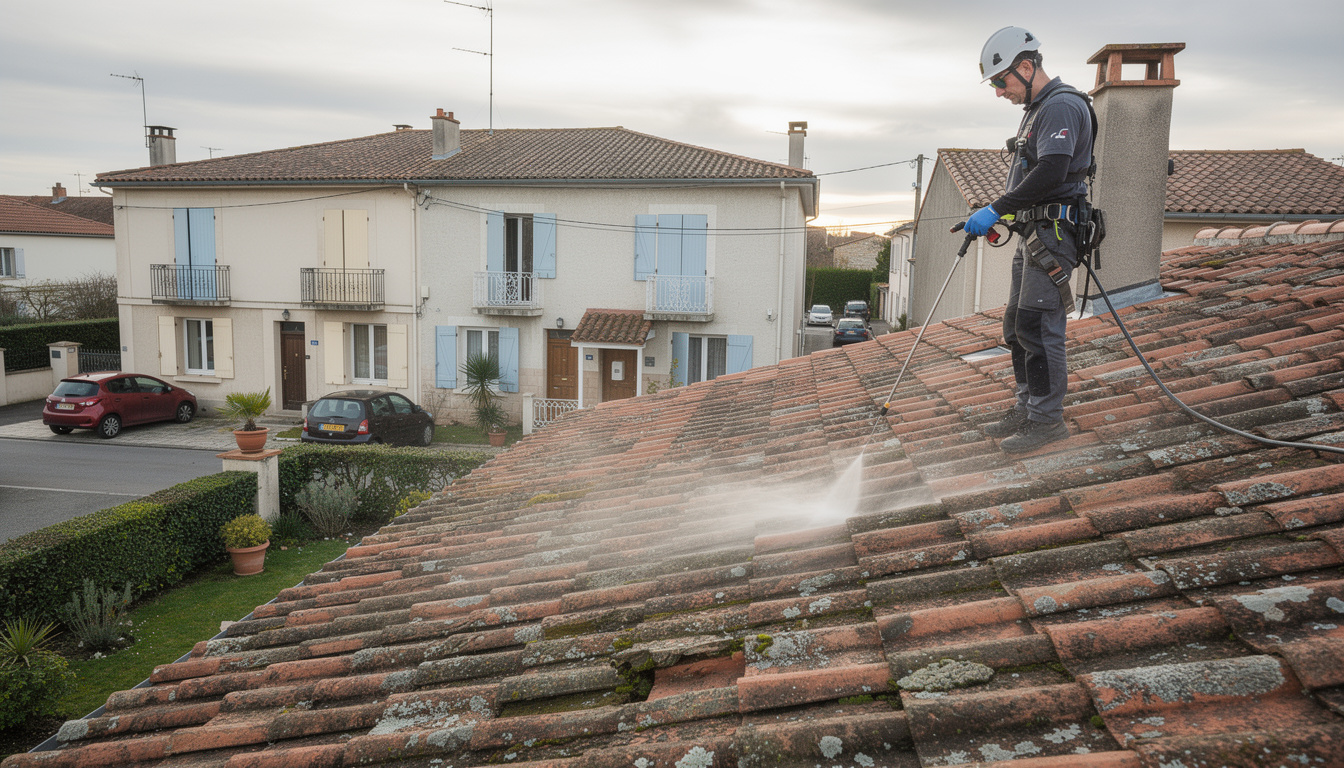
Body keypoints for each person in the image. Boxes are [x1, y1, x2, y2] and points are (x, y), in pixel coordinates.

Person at [966, 26, 1094, 454]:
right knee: (1017, 326)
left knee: (1039, 327)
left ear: (1026, 66)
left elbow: (1052, 172)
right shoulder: (1037, 111)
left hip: (1055, 233)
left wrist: (996, 208)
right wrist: (1005, 212)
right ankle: (1026, 407)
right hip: (1034, 232)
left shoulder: (1061, 106)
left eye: (1001, 81)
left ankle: (1046, 421)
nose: (999, 91)